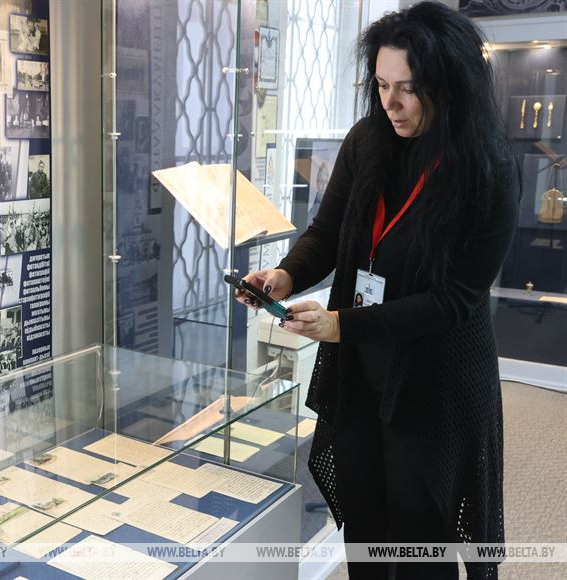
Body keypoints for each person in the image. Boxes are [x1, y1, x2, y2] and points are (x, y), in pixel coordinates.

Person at [237, 4, 517, 579]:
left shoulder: (487, 168)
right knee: (364, 525)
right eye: (382, 85)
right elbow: (328, 233)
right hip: (361, 371)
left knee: (420, 536)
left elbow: (455, 301)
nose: (391, 104)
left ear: (449, 84)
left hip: (435, 381)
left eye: (408, 89)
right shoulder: (367, 139)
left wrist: (340, 324)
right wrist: (285, 275)